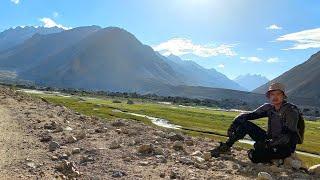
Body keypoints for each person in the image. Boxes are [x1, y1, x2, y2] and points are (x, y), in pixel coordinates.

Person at [210, 82, 304, 163]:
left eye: (278, 94)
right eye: (272, 94)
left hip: (285, 146)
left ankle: (274, 158)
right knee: (245, 124)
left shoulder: (291, 111)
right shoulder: (269, 108)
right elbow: (247, 116)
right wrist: (234, 124)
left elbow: (287, 136)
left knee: (255, 156)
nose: (275, 97)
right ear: (269, 96)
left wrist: (267, 144)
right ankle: (226, 146)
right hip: (270, 139)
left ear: (283, 96)